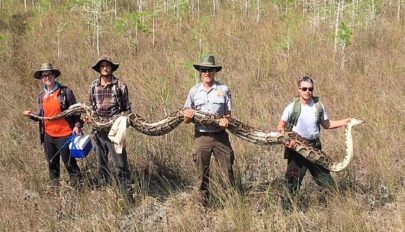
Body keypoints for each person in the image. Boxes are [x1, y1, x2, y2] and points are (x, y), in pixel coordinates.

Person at [277, 76, 351, 211]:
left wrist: (345, 122)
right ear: (299, 90)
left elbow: (326, 124)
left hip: (315, 148)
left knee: (326, 180)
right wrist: (288, 141)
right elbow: (280, 127)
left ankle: (335, 208)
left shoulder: (318, 106)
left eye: (310, 89)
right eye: (304, 89)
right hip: (297, 149)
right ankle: (287, 212)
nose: (307, 91)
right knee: (292, 182)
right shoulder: (292, 107)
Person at [183, 55, 235, 207]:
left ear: (215, 71)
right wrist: (187, 115)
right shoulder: (193, 91)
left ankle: (230, 205)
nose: (207, 72)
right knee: (202, 173)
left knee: (227, 172)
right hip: (202, 136)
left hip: (220, 136)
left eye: (210, 70)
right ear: (200, 71)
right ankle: (203, 205)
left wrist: (227, 120)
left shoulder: (224, 90)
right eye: (204, 70)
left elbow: (229, 116)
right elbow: (186, 119)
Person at [23, 63, 82, 189]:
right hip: (48, 136)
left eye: (49, 74)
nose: (47, 77)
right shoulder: (41, 95)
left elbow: (76, 111)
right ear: (41, 79)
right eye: (44, 75)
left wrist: (77, 125)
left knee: (70, 164)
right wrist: (32, 116)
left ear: (54, 75)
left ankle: (79, 190)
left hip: (65, 135)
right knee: (52, 164)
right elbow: (42, 115)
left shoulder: (65, 92)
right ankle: (55, 190)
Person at [88, 55, 133, 202]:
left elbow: (127, 110)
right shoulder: (93, 86)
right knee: (101, 164)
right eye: (102, 66)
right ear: (99, 69)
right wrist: (89, 118)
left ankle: (127, 195)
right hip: (98, 131)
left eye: (107, 65)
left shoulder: (121, 86)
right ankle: (105, 194)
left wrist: (121, 121)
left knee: (120, 164)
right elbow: (91, 107)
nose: (105, 68)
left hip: (116, 131)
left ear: (111, 68)